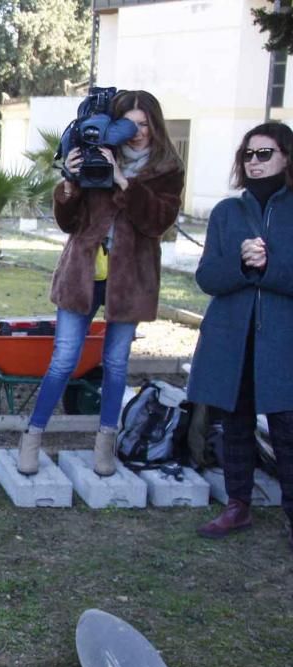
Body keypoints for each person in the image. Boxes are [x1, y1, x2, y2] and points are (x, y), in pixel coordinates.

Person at [17, 90, 184, 477]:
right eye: (130, 123)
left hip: (131, 278)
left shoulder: (167, 168)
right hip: (82, 273)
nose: (137, 132)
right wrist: (71, 184)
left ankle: (104, 444)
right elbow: (69, 222)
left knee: (115, 362)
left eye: (144, 124)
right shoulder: (94, 149)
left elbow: (158, 222)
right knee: (63, 359)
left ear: (155, 126)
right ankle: (32, 437)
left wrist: (124, 181)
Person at [187, 122, 293, 546]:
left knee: (286, 428)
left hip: (282, 340)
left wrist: (268, 269)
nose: (254, 161)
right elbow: (208, 277)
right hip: (233, 338)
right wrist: (242, 264)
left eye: (264, 154)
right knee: (235, 423)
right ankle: (238, 506)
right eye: (248, 154)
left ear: (286, 156)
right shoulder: (226, 213)